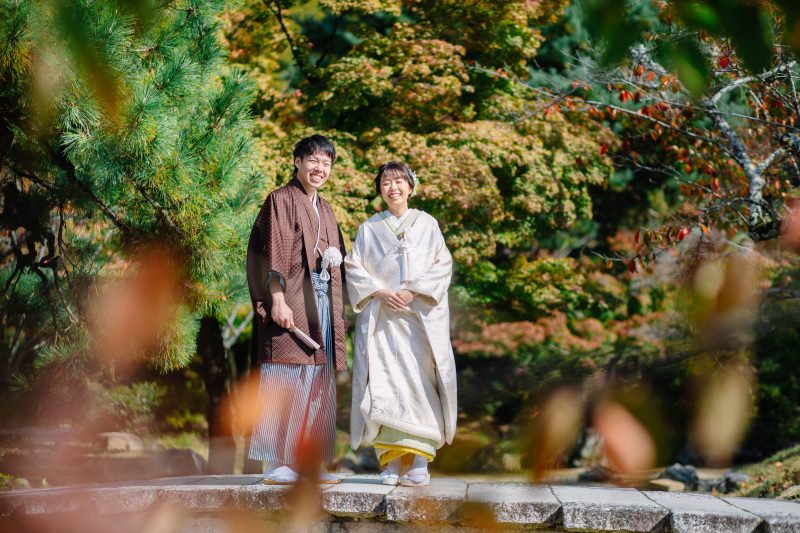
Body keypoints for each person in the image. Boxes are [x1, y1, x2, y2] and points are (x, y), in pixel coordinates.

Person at [345, 161, 457, 487]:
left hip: (417, 322)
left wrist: (412, 292)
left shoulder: (428, 224)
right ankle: (392, 464)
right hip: (383, 323)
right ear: (379, 190)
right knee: (385, 388)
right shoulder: (369, 228)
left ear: (410, 187)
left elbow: (442, 265)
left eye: (398, 182)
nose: (392, 188)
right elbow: (353, 266)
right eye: (385, 183)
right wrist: (378, 292)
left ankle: (420, 460)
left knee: (422, 387)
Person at [245, 134, 348, 484]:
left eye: (327, 163)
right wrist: (276, 299)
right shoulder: (280, 199)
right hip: (291, 300)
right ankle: (276, 464)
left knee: (319, 380)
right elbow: (271, 251)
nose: (320, 168)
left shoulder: (327, 208)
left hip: (323, 302)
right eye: (313, 161)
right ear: (298, 162)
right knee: (286, 375)